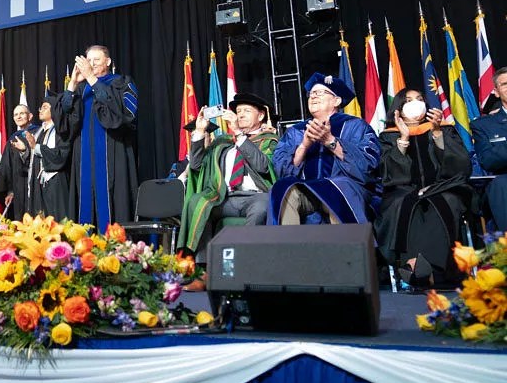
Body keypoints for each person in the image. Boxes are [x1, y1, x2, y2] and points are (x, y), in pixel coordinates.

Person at [373, 88, 473, 286]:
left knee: (446, 201)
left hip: (442, 187)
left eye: (419, 99)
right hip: (404, 191)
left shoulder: (443, 128)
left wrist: (436, 133)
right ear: (398, 109)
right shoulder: (388, 136)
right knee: (402, 204)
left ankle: (427, 268)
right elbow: (387, 175)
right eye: (408, 100)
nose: (415, 103)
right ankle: (415, 265)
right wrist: (403, 139)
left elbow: (460, 166)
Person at [178, 93, 279, 267]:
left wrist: (240, 135)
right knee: (198, 202)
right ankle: (203, 269)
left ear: (261, 115)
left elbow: (262, 166)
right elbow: (196, 166)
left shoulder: (270, 140)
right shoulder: (223, 142)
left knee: (262, 206)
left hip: (254, 197)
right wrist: (200, 131)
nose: (240, 115)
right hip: (225, 199)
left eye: (246, 110)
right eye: (238, 111)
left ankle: (246, 265)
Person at [270, 73, 381, 225]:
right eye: (312, 93)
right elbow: (282, 172)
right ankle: (287, 247)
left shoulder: (356, 126)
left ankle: (344, 248)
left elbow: (367, 168)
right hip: (307, 191)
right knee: (283, 189)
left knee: (337, 187)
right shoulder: (296, 131)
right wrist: (304, 146)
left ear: (337, 100)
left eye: (320, 92)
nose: (314, 96)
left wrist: (329, 141)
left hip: (344, 189)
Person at [54, 45, 138, 227]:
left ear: (108, 62)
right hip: (83, 159)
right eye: (88, 61)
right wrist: (72, 84)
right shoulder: (81, 90)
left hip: (113, 154)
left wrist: (92, 79)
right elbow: (63, 121)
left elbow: (122, 118)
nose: (90, 65)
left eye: (96, 60)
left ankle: (116, 251)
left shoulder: (121, 83)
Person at [22, 96, 72, 220]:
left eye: (45, 107)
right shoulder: (40, 132)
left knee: (59, 221)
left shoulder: (61, 130)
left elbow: (61, 155)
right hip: (40, 183)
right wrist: (25, 149)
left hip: (56, 182)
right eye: (40, 107)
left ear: (54, 110)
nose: (40, 110)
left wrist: (36, 147)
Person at [472, 67, 507, 230]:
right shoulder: (483, 125)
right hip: (504, 181)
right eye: (505, 84)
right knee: (500, 184)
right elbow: (489, 161)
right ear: (496, 92)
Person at [0, 104, 39, 217]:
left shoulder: (39, 133)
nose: (18, 117)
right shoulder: (13, 139)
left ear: (30, 116)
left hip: (35, 185)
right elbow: (7, 168)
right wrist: (10, 191)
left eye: (22, 113)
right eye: (16, 115)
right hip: (18, 188)